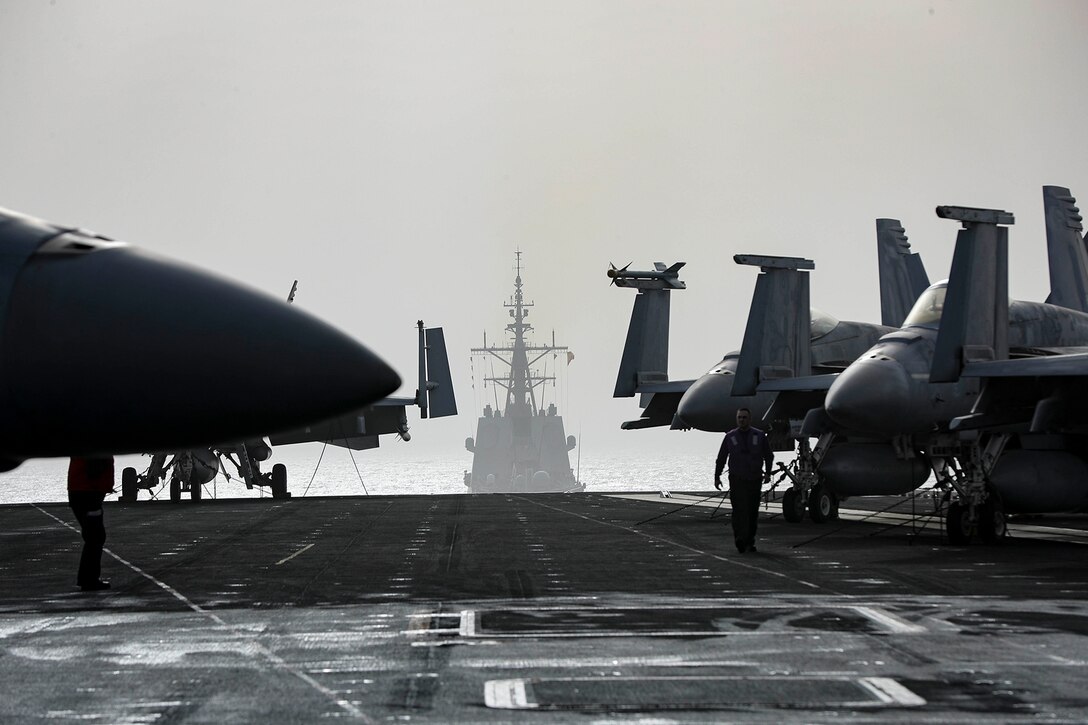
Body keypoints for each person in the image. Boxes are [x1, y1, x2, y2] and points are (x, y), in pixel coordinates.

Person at [714, 408, 774, 553]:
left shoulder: (759, 436)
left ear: (750, 419)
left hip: (754, 479)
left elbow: (769, 455)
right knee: (739, 511)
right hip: (737, 480)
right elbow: (721, 458)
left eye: (744, 417)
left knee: (752, 512)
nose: (742, 420)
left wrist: (767, 473)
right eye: (739, 417)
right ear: (737, 419)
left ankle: (750, 541)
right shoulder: (730, 437)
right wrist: (717, 476)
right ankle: (740, 539)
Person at [67, 456, 115, 591]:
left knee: (93, 536)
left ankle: (87, 579)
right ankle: (89, 580)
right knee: (96, 537)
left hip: (84, 493)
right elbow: (94, 468)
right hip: (89, 495)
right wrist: (100, 488)